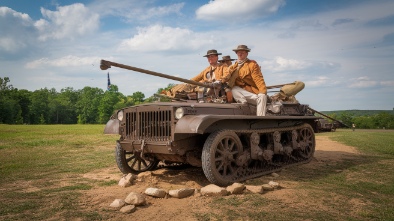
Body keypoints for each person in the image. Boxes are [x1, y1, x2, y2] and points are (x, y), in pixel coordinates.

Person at [227, 45, 267, 116]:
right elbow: (226, 77)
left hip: (252, 92)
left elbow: (258, 79)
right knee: (233, 89)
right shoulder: (233, 67)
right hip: (242, 93)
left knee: (262, 97)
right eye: (238, 52)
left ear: (247, 54)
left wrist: (262, 92)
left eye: (242, 52)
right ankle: (244, 104)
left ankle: (261, 118)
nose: (240, 54)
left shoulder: (252, 64)